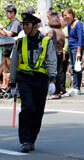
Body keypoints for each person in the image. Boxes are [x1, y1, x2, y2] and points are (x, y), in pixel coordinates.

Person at [9, 12, 57, 152]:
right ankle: (24, 140)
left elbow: (51, 60)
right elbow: (13, 63)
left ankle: (31, 139)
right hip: (24, 79)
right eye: (23, 25)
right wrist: (12, 82)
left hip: (41, 79)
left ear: (35, 26)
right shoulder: (19, 42)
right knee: (27, 108)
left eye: (27, 24)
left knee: (38, 111)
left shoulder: (46, 41)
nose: (24, 27)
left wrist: (52, 79)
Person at [62, 8, 84, 95]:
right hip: (71, 47)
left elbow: (80, 38)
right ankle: (74, 86)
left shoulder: (78, 24)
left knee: (77, 67)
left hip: (77, 47)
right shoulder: (68, 24)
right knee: (72, 66)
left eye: (66, 15)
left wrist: (79, 51)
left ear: (71, 14)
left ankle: (77, 87)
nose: (65, 17)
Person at [1, 4, 22, 91]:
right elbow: (5, 34)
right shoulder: (10, 23)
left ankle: (11, 86)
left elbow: (10, 34)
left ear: (13, 13)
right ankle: (5, 85)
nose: (6, 15)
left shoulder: (16, 22)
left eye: (7, 13)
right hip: (6, 48)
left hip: (12, 49)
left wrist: (2, 27)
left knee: (10, 69)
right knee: (5, 69)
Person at [47, 14, 67, 99]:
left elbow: (47, 41)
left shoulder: (52, 31)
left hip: (53, 54)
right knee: (58, 73)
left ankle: (54, 92)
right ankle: (58, 91)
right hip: (59, 53)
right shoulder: (61, 32)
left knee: (52, 73)